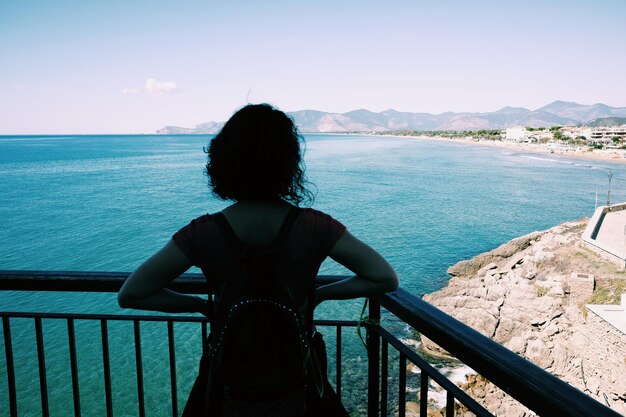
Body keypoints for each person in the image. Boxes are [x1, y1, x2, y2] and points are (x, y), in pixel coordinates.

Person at [118, 103, 399, 415]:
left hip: (232, 381)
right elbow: (384, 277)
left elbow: (132, 293)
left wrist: (201, 306)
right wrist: (318, 296)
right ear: (288, 162)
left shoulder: (204, 232)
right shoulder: (314, 226)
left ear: (225, 162)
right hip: (295, 378)